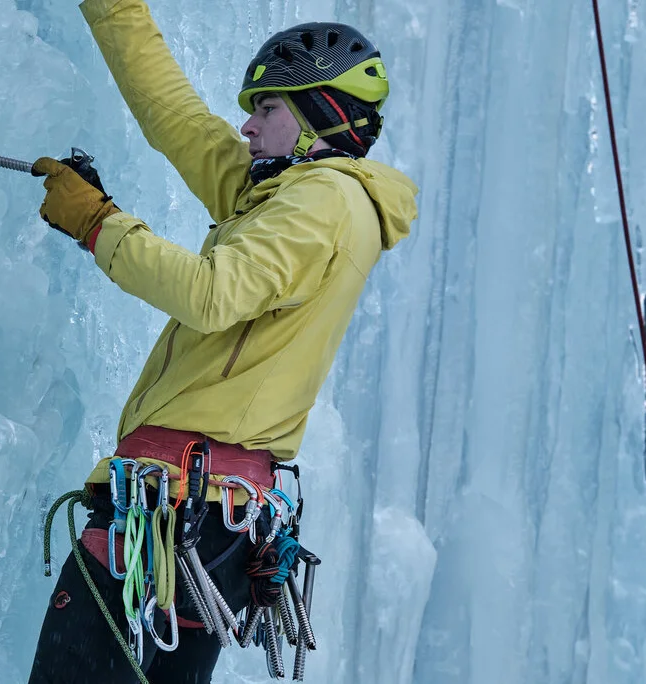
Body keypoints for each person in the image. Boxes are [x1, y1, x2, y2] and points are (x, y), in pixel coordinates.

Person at [27, 0, 418, 681]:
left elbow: (211, 294)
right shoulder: (285, 195)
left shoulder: (321, 202)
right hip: (206, 522)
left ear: (315, 114)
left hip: (176, 508)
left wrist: (98, 224)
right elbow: (177, 120)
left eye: (265, 108)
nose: (247, 124)